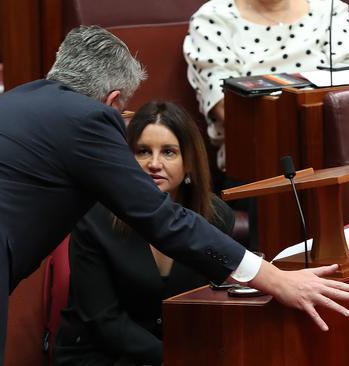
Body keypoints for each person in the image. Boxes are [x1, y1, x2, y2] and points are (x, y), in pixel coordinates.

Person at [0, 25, 349, 366]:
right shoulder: (87, 118)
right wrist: (270, 275)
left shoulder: (18, 104)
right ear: (114, 98)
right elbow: (160, 219)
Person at [54, 101, 236, 366]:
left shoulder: (217, 218)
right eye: (142, 152)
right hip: (102, 353)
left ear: (188, 163)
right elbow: (103, 320)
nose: (154, 163)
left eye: (169, 152)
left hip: (181, 351)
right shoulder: (94, 217)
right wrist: (172, 359)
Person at [183, 0, 349, 171]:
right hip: (259, 166)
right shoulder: (213, 18)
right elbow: (228, 108)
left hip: (337, 156)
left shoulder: (329, 9)